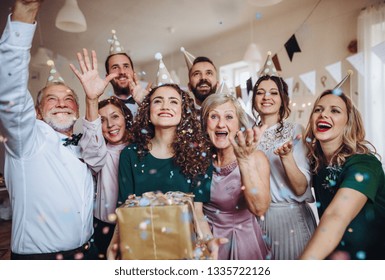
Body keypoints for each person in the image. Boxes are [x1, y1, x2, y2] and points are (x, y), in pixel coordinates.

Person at [0, 0, 97, 259]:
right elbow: (10, 94)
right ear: (38, 112)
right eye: (51, 99)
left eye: (68, 98)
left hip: (87, 254)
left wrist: (92, 100)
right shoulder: (28, 140)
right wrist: (24, 16)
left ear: (76, 111)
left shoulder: (86, 143)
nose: (62, 103)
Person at [107, 83, 224, 259]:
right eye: (158, 101)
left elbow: (197, 213)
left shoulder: (199, 155)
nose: (165, 107)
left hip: (182, 247)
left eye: (173, 102)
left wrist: (208, 241)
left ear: (183, 112)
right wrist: (113, 246)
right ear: (148, 110)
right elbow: (124, 209)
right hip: (140, 246)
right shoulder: (129, 155)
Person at [299, 90, 385, 260]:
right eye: (318, 109)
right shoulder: (317, 164)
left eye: (335, 111)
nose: (323, 114)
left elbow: (336, 216)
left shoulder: (364, 164)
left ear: (348, 122)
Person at [70, 49, 133, 259]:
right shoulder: (99, 150)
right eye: (102, 120)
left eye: (115, 117)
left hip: (135, 223)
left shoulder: (138, 149)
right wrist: (91, 100)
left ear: (126, 119)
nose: (110, 124)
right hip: (105, 224)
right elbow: (93, 152)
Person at [252, 75, 317, 260]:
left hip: (290, 220)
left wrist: (286, 157)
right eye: (260, 92)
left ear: (283, 99)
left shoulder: (295, 131)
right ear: (254, 99)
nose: (266, 97)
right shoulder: (248, 133)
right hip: (256, 222)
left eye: (273, 92)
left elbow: (300, 187)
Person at [201, 93, 271, 260]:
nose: (221, 124)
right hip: (205, 240)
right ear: (205, 125)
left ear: (239, 125)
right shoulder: (199, 159)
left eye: (229, 117)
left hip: (241, 243)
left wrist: (245, 161)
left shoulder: (255, 158)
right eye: (214, 116)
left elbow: (260, 209)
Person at [104, 30, 151, 116]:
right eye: (115, 67)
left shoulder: (150, 103)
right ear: (107, 76)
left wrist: (145, 104)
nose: (122, 72)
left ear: (133, 72)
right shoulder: (104, 109)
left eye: (126, 66)